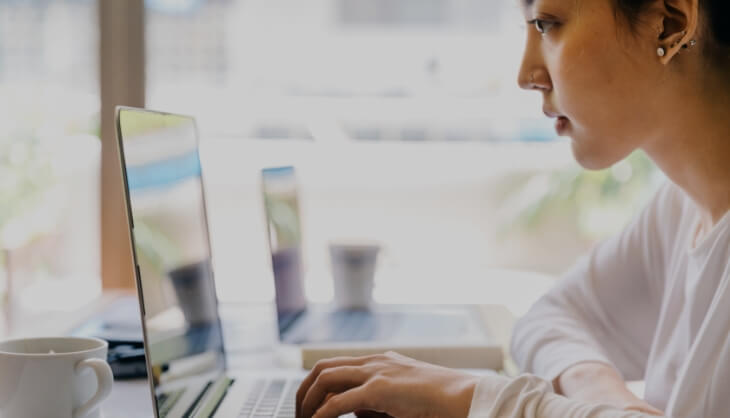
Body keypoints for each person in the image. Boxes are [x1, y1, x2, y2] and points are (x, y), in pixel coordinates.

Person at [294, 0, 730, 415]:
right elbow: (550, 317)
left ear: (670, 23)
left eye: (547, 23)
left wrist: (471, 400)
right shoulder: (680, 210)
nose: (526, 74)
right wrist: (607, 402)